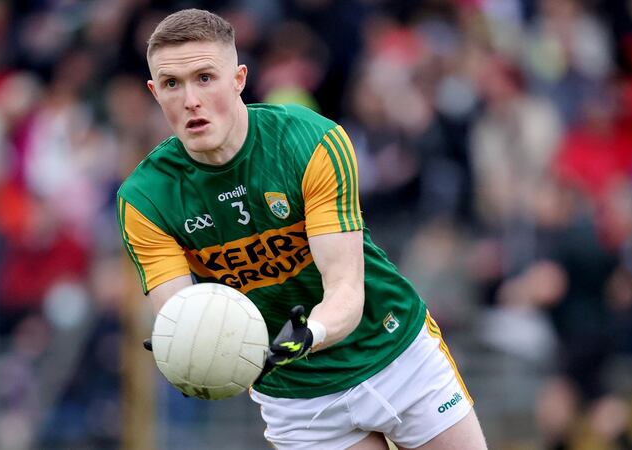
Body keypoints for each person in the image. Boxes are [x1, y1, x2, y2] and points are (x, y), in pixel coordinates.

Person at [116, 9, 487, 450]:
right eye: (172, 84)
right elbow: (182, 312)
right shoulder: (144, 200)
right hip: (297, 399)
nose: (190, 99)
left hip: (396, 352)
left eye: (205, 77)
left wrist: (309, 335)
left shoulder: (309, 141)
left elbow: (346, 293)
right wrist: (190, 346)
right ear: (154, 92)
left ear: (238, 79)